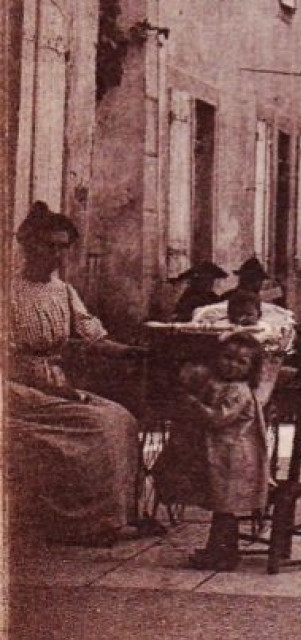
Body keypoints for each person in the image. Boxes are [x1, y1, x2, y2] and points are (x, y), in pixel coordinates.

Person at [6, 202, 145, 547]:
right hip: (15, 385)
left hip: (55, 382)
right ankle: (86, 522)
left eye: (63, 247)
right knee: (97, 425)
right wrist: (56, 390)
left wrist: (132, 352)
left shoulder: (63, 291)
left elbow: (91, 336)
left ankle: (121, 513)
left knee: (121, 418)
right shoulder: (7, 291)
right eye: (48, 245)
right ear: (27, 245)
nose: (56, 255)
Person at [152, 331, 269, 571]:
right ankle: (218, 550)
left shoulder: (238, 391)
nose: (232, 365)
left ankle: (224, 554)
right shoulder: (220, 384)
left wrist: (195, 404)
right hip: (221, 454)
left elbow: (217, 419)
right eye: (227, 357)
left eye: (241, 362)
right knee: (221, 506)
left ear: (251, 369)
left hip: (232, 457)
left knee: (225, 508)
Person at [160, 261, 228, 324]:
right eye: (205, 280)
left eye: (211, 280)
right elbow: (180, 316)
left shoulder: (212, 297)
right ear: (196, 281)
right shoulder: (189, 297)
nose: (209, 284)